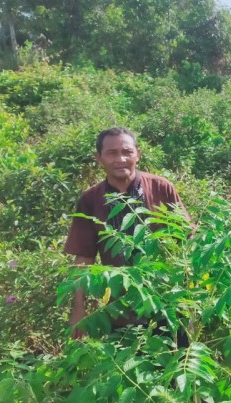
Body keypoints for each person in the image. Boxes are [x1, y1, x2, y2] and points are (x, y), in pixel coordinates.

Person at [64, 127, 187, 337]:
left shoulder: (161, 188)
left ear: (137, 154)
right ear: (99, 158)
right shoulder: (91, 199)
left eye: (127, 152)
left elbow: (185, 241)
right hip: (120, 307)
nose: (120, 159)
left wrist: (189, 303)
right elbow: (83, 258)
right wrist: (78, 309)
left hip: (167, 302)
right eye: (112, 153)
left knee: (174, 361)